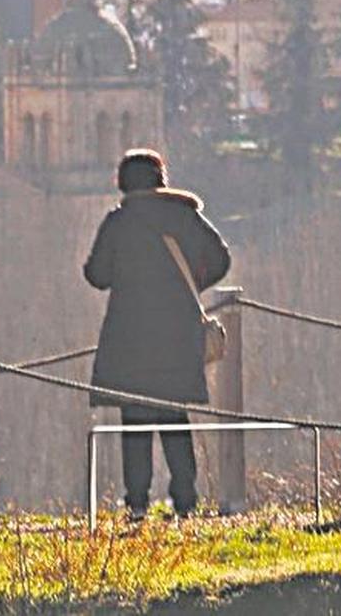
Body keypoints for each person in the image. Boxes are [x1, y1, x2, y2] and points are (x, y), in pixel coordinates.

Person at [84, 149, 231, 520]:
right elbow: (221, 259)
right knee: (173, 416)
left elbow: (97, 275)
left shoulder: (119, 222)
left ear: (123, 183)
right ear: (160, 179)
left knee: (134, 421)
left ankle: (137, 503)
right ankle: (186, 500)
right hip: (177, 333)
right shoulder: (185, 216)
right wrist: (189, 290)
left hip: (130, 335)